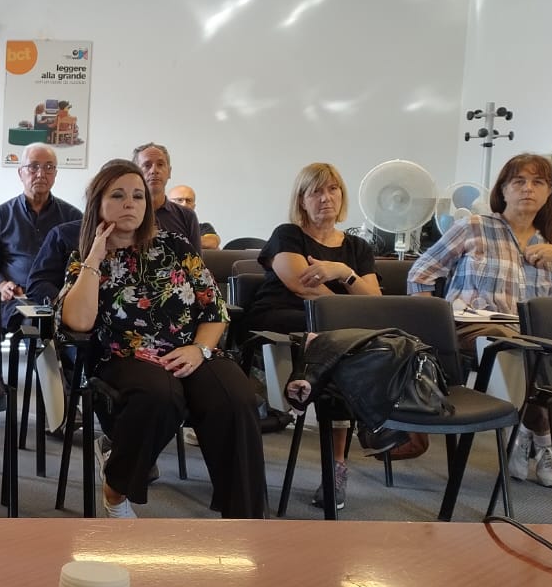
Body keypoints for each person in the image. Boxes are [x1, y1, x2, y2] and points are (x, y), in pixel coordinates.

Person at [59, 159, 265, 519]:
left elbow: (215, 310)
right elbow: (78, 320)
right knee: (160, 396)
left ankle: (245, 520)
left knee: (236, 398)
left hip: (190, 350)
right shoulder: (85, 257)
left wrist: (199, 349)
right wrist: (95, 255)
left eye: (138, 196)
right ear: (98, 204)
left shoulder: (176, 246)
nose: (130, 203)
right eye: (118, 195)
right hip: (125, 356)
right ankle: (116, 490)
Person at [408, 152, 552, 488]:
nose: (528, 188)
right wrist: (435, 330)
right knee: (511, 343)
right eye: (519, 181)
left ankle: (523, 432)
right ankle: (543, 436)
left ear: (549, 192)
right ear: (503, 190)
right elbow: (420, 274)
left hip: (531, 336)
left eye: (538, 182)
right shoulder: (474, 227)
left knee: (546, 349)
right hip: (473, 328)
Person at [246, 162, 382, 510]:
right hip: (281, 320)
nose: (326, 198)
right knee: (344, 341)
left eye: (332, 189)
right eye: (316, 191)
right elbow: (300, 284)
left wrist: (343, 271)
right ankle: (376, 421)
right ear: (301, 200)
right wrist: (348, 305)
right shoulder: (288, 235)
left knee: (346, 348)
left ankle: (336, 466)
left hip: (331, 334)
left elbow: (374, 301)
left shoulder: (357, 249)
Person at [0, 143, 82, 328]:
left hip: (58, 298)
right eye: (33, 167)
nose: (41, 174)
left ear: (55, 174)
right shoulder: (0, 215)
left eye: (49, 167)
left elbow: (81, 263)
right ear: (20, 173)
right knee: (32, 322)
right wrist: (2, 285)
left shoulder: (73, 217)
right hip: (15, 299)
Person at [133, 143, 204, 252]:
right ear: (135, 173)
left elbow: (196, 261)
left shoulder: (187, 216)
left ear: (169, 172)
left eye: (160, 164)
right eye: (147, 165)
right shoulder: (126, 213)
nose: (154, 170)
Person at [167, 185, 220, 249]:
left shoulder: (203, 227)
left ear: (193, 206)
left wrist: (171, 239)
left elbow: (212, 243)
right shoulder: (159, 225)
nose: (184, 204)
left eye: (188, 200)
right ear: (167, 204)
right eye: (179, 200)